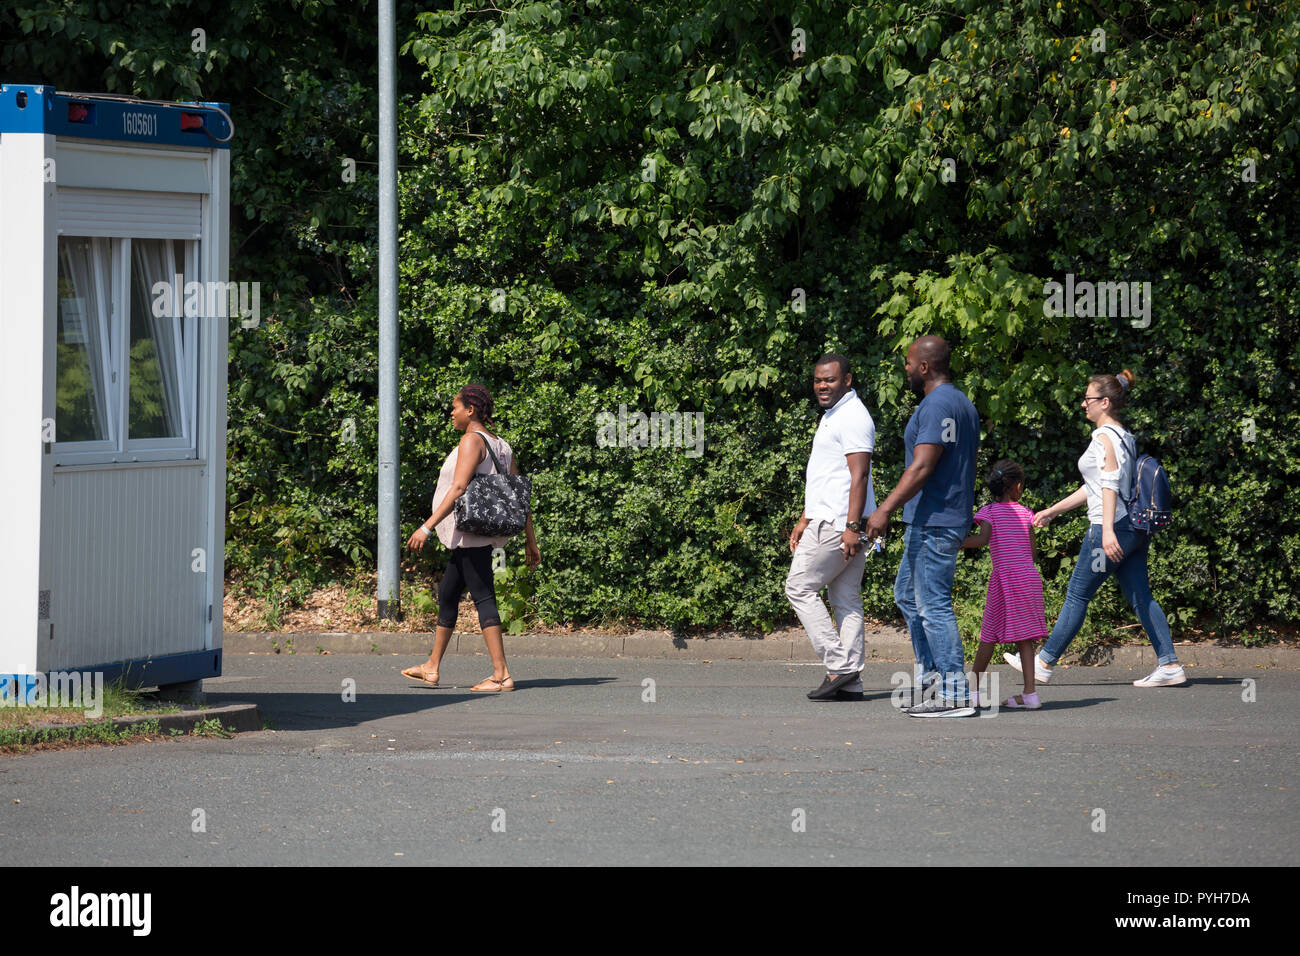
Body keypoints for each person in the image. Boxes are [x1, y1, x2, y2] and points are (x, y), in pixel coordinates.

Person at [1011, 370, 1186, 687]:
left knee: (1077, 596)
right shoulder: (1124, 436)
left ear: (1105, 402)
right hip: (1132, 527)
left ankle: (1044, 662)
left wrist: (1106, 531)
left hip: (1111, 527)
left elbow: (1107, 487)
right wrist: (1053, 510)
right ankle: (1170, 665)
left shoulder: (1104, 437)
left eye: (1088, 399)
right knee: (1140, 596)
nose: (1082, 404)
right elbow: (1095, 486)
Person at [865, 335, 980, 717]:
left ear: (926, 367)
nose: (906, 369)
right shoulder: (959, 402)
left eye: (910, 363)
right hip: (932, 518)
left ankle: (955, 691)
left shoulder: (938, 405)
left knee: (932, 605)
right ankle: (934, 677)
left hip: (935, 519)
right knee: (908, 596)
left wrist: (883, 510)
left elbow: (922, 466)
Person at [402, 384, 540, 692]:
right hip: (480, 533)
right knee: (448, 592)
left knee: (483, 596)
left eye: (455, 406)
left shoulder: (471, 441)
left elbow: (459, 488)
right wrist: (530, 540)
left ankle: (501, 674)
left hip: (470, 532)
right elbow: (519, 498)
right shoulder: (502, 445)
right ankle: (432, 667)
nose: (451, 412)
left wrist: (426, 527)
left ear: (471, 410)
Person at [785, 354, 877, 701]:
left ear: (848, 380)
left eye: (830, 380)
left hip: (838, 524)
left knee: (799, 587)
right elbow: (828, 476)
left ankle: (840, 665)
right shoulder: (835, 415)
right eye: (818, 381)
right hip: (835, 519)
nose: (822, 386)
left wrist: (851, 527)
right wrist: (805, 517)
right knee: (845, 598)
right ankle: (851, 682)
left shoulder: (853, 417)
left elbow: (859, 475)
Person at [961, 459, 1048, 709]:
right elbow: (1032, 552)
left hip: (1004, 579)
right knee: (1026, 637)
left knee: (989, 634)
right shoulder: (1026, 513)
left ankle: (973, 690)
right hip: (1029, 578)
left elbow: (982, 539)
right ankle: (1030, 693)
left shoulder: (989, 512)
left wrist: (955, 542)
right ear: (1017, 486)